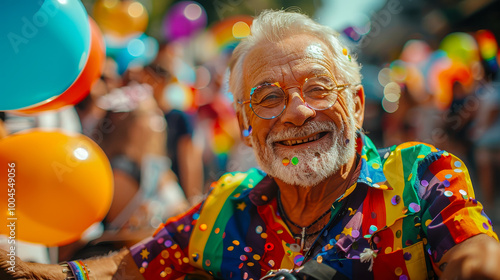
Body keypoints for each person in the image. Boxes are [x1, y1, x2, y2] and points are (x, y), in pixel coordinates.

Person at [2, 10, 500, 280]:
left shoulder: (420, 175)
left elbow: (475, 260)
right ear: (244, 123)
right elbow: (126, 267)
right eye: (267, 98)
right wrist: (20, 272)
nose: (297, 111)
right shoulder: (227, 206)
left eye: (318, 88)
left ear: (357, 102)